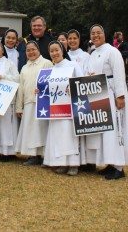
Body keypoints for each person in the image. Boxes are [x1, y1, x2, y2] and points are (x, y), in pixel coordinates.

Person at [85, 24, 128, 179]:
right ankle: (110, 162)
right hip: (98, 94)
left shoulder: (112, 52)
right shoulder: (93, 54)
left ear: (104, 34)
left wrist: (120, 96)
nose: (95, 36)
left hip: (112, 92)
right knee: (105, 132)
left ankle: (119, 167)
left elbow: (119, 73)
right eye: (92, 33)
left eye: (98, 33)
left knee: (116, 130)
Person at [43, 41, 84, 176]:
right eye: (51, 51)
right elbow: (47, 89)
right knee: (58, 136)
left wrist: (73, 88)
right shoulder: (50, 69)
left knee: (69, 135)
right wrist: (40, 91)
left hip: (70, 108)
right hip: (56, 109)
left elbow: (81, 82)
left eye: (56, 50)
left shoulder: (72, 65)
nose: (54, 53)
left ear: (62, 50)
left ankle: (73, 164)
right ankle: (61, 162)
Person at [15, 41, 53, 165]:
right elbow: (21, 87)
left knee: (41, 129)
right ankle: (33, 155)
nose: (31, 52)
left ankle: (43, 155)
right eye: (28, 50)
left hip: (42, 103)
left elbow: (51, 82)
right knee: (30, 130)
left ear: (38, 50)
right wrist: (19, 107)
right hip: (28, 103)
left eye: (33, 49)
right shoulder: (24, 67)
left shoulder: (46, 63)